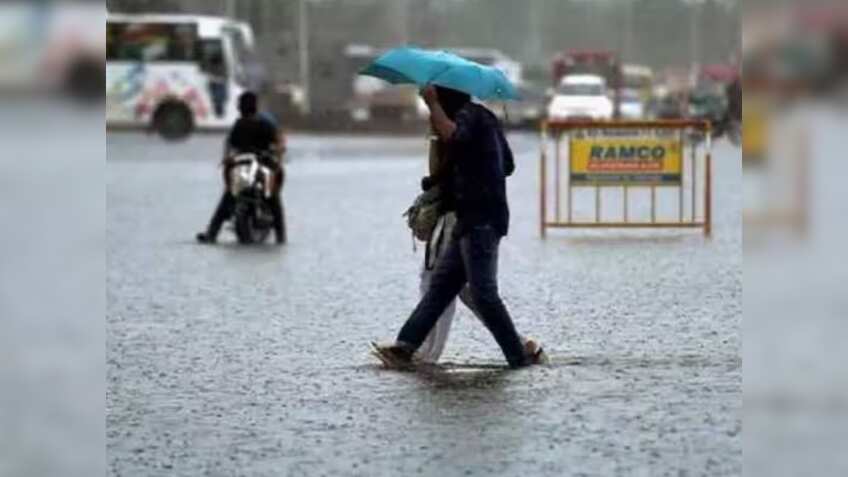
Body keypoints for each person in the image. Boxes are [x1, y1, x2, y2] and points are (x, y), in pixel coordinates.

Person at [375, 85, 544, 369]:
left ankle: (518, 355)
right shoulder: (485, 118)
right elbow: (508, 164)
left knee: (482, 293)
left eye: (437, 99)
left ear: (445, 99)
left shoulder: (469, 117)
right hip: (470, 219)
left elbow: (455, 136)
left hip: (481, 219)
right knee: (440, 287)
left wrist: (432, 105)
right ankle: (404, 347)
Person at [415, 130, 545, 364]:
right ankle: (521, 345)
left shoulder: (457, 128)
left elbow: (440, 175)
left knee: (438, 282)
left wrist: (436, 146)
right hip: (466, 217)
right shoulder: (467, 127)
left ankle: (426, 353)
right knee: (464, 290)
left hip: (459, 218)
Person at [196, 91, 286, 244]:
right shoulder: (265, 125)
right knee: (274, 199)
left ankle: (212, 233)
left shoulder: (237, 126)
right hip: (259, 168)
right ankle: (281, 236)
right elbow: (278, 144)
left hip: (242, 169)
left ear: (240, 108)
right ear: (255, 107)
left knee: (227, 198)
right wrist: (277, 153)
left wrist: (229, 159)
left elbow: (229, 149)